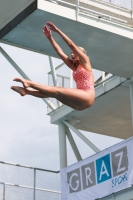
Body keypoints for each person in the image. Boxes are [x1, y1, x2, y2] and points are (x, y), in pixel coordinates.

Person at [11, 22, 95, 110]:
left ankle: (29, 83)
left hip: (87, 96)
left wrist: (58, 31)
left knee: (57, 89)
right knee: (54, 94)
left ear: (81, 54)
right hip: (79, 104)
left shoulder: (86, 62)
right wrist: (50, 38)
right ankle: (27, 91)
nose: (72, 55)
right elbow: (60, 52)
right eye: (71, 54)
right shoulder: (74, 67)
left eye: (74, 53)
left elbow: (71, 45)